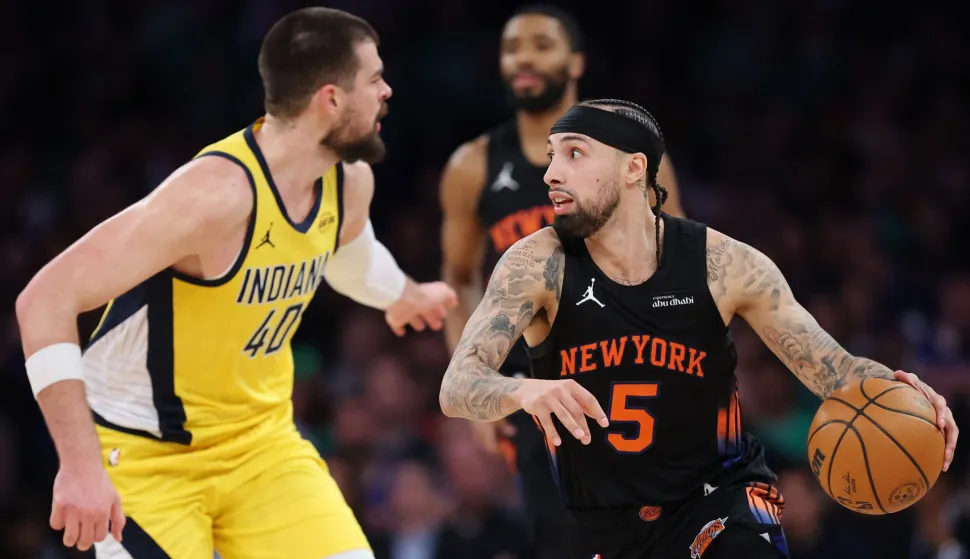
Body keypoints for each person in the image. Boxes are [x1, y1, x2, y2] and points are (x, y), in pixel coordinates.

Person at [16, 8, 456, 559]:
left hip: (260, 448)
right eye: (374, 79)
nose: (387, 92)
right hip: (147, 456)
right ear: (330, 99)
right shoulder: (213, 198)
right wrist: (79, 466)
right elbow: (44, 300)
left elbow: (349, 255)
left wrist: (405, 295)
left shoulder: (347, 182)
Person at [439, 99, 959, 558]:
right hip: (602, 524)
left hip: (719, 499)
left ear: (633, 168)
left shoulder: (724, 264)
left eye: (574, 153)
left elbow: (835, 371)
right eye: (552, 155)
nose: (552, 173)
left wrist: (898, 390)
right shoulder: (536, 264)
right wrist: (524, 390)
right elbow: (457, 385)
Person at [439, 7, 683, 556]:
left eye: (541, 44)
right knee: (561, 543)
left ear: (575, 62)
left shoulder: (631, 152)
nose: (523, 57)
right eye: (512, 47)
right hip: (536, 385)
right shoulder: (472, 167)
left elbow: (680, 263)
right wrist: (479, 378)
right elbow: (459, 278)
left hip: (629, 369)